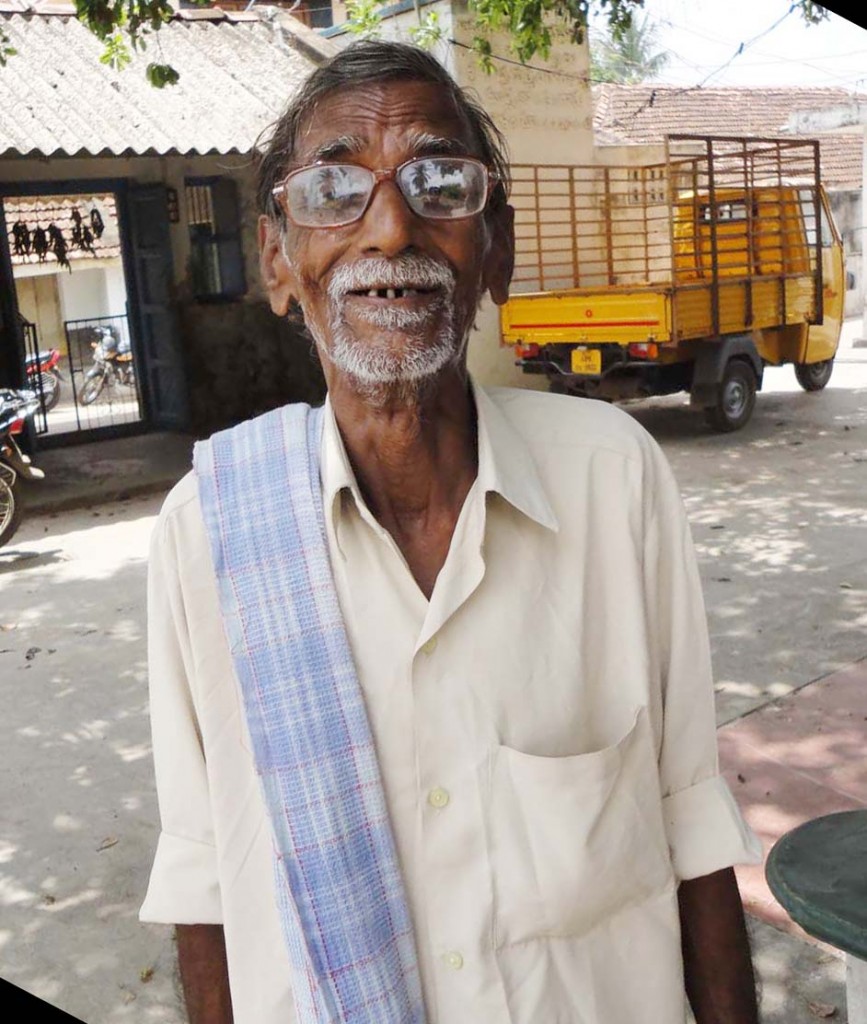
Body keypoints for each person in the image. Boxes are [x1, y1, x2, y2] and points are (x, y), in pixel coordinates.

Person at [140, 40, 763, 1024]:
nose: (390, 229)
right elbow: (205, 887)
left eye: (438, 183)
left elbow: (691, 823)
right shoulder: (207, 532)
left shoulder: (614, 478)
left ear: (497, 251)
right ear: (276, 260)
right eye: (337, 188)